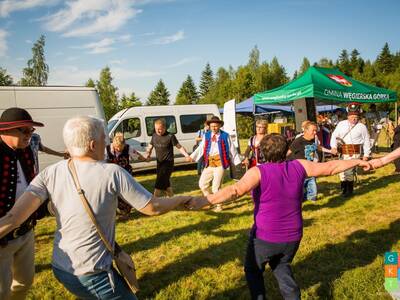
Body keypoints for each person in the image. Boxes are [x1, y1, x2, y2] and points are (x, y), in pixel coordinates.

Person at [0, 116, 201, 300]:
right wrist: (180, 198)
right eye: (104, 138)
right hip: (93, 273)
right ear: (92, 144)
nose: (107, 142)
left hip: (61, 267)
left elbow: (14, 217)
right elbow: (152, 207)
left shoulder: (50, 172)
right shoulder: (112, 172)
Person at [187, 133, 371, 300]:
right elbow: (331, 167)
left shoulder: (258, 171)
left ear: (263, 152)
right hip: (293, 236)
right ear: (286, 150)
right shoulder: (300, 165)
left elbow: (235, 190)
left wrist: (202, 201)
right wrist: (356, 161)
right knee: (281, 266)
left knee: (252, 270)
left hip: (265, 237)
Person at [0, 107, 45, 300]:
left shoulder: (26, 152)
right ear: (5, 130)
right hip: (2, 237)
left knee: (25, 282)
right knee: (2, 291)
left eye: (31, 131)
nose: (29, 135)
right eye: (24, 130)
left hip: (26, 231)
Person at [190, 116, 241, 211]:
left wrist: (237, 162)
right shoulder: (206, 135)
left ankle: (219, 205)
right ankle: (210, 201)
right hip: (209, 163)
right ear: (209, 126)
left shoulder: (225, 135)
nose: (214, 128)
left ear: (220, 126)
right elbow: (201, 148)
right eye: (212, 126)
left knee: (215, 188)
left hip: (220, 164)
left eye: (216, 126)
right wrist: (192, 157)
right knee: (202, 184)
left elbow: (232, 149)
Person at [330, 102, 371, 197]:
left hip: (354, 153)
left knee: (348, 171)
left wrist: (366, 154)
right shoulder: (341, 124)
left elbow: (366, 141)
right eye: (352, 116)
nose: (354, 118)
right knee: (341, 172)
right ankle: (344, 189)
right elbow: (334, 136)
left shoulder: (362, 127)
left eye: (356, 116)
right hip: (342, 152)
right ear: (348, 116)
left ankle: (349, 191)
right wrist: (333, 147)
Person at [145, 118, 191, 197]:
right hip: (159, 163)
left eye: (160, 129)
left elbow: (179, 147)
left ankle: (154, 202)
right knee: (166, 184)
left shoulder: (170, 136)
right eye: (156, 129)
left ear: (164, 128)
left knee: (159, 183)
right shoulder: (154, 135)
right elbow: (150, 146)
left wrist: (186, 155)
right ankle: (172, 200)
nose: (158, 131)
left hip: (168, 164)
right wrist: (148, 154)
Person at [106, 133, 147, 219]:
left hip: (125, 174)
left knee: (126, 193)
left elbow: (137, 155)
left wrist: (145, 159)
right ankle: (114, 211)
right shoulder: (106, 149)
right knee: (112, 194)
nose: (118, 149)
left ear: (124, 145)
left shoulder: (128, 148)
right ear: (113, 143)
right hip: (111, 175)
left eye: (120, 148)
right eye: (116, 147)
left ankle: (126, 213)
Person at [287, 121, 330, 201]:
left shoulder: (313, 139)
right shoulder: (298, 141)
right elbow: (288, 152)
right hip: (300, 171)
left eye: (315, 131)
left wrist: (330, 151)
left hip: (311, 170)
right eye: (313, 131)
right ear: (306, 131)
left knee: (313, 196)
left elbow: (318, 147)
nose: (315, 133)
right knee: (298, 195)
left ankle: (310, 200)